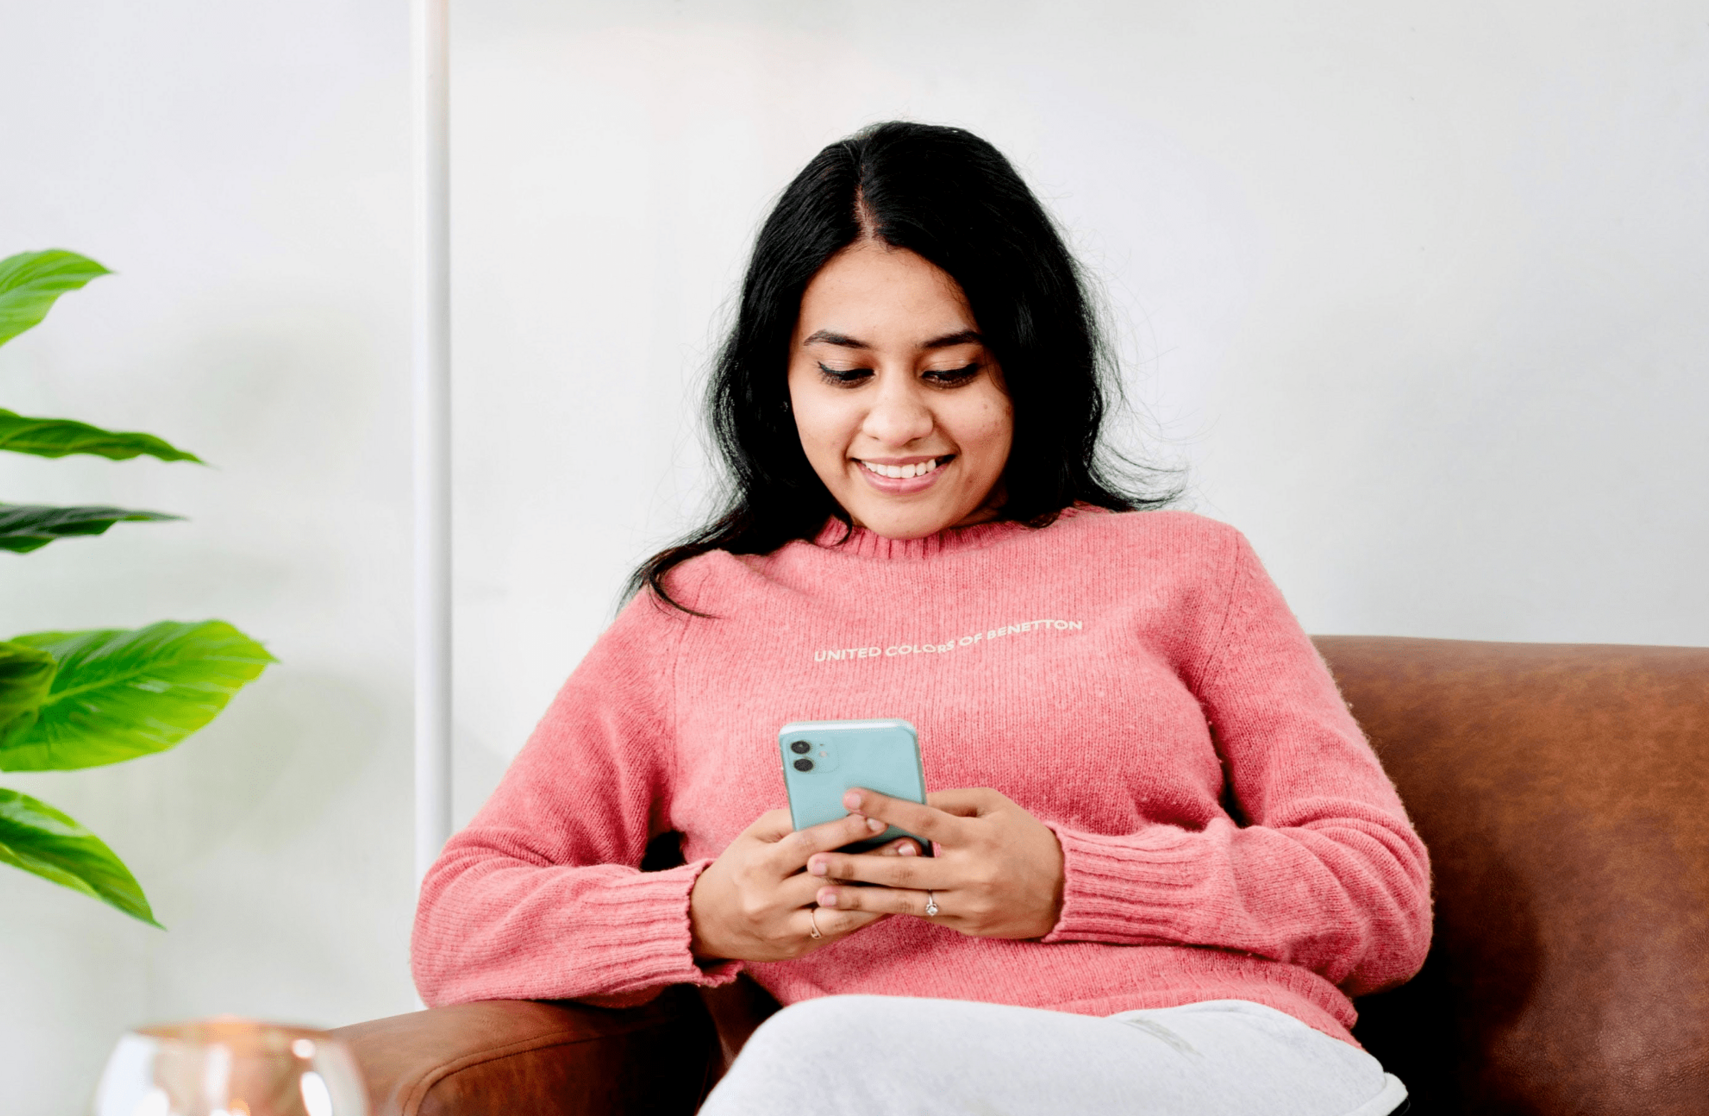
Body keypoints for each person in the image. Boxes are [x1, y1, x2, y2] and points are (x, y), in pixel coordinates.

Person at [413, 121, 1430, 1116]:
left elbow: (1379, 896)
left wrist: (1072, 881)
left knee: (823, 1055)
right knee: (834, 1056)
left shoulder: (1187, 570)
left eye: (949, 371)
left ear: (1025, 363)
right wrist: (705, 914)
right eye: (844, 372)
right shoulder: (693, 616)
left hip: (1215, 1056)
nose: (896, 422)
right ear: (779, 379)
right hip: (881, 1086)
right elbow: (460, 923)